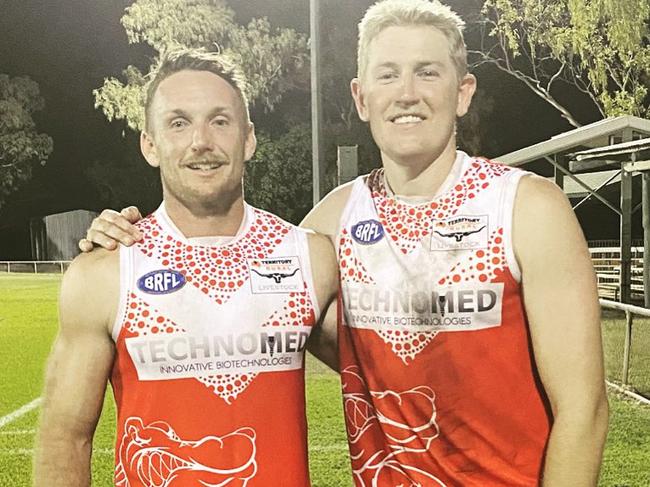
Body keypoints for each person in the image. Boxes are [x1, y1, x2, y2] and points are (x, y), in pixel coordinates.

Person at [80, 0, 609, 485]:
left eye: (428, 71)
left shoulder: (526, 208)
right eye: (387, 75)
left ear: (462, 91)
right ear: (361, 97)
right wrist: (123, 235)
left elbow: (584, 411)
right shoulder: (330, 224)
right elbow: (229, 286)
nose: (407, 93)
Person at [35, 48, 338, 487]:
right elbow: (66, 440)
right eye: (179, 123)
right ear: (150, 145)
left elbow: (396, 375)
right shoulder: (104, 272)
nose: (201, 141)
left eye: (220, 121)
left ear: (248, 138)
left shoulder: (310, 258)